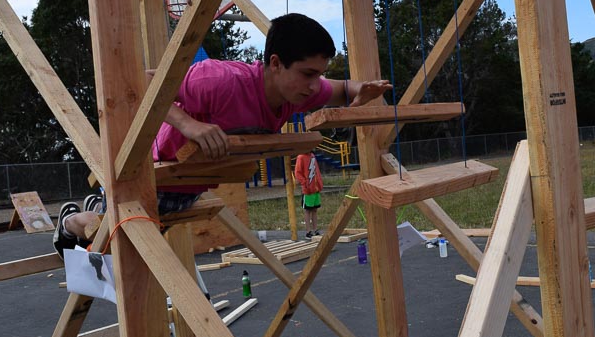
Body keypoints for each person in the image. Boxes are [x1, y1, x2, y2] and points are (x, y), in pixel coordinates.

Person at [53, 13, 392, 257]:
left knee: (124, 246)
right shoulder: (219, 81)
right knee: (111, 242)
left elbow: (344, 88)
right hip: (152, 177)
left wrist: (362, 89)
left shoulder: (300, 91)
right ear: (275, 63)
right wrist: (189, 125)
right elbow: (142, 82)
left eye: (320, 75)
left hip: (190, 187)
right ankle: (70, 221)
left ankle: (92, 214)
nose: (316, 86)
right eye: (308, 74)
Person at [294, 151, 323, 239]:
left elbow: (316, 170)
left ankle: (315, 229)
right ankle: (308, 231)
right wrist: (304, 183)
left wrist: (319, 183)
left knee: (314, 210)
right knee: (308, 210)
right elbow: (298, 172)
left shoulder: (312, 155)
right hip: (308, 189)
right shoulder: (301, 157)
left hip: (315, 188)